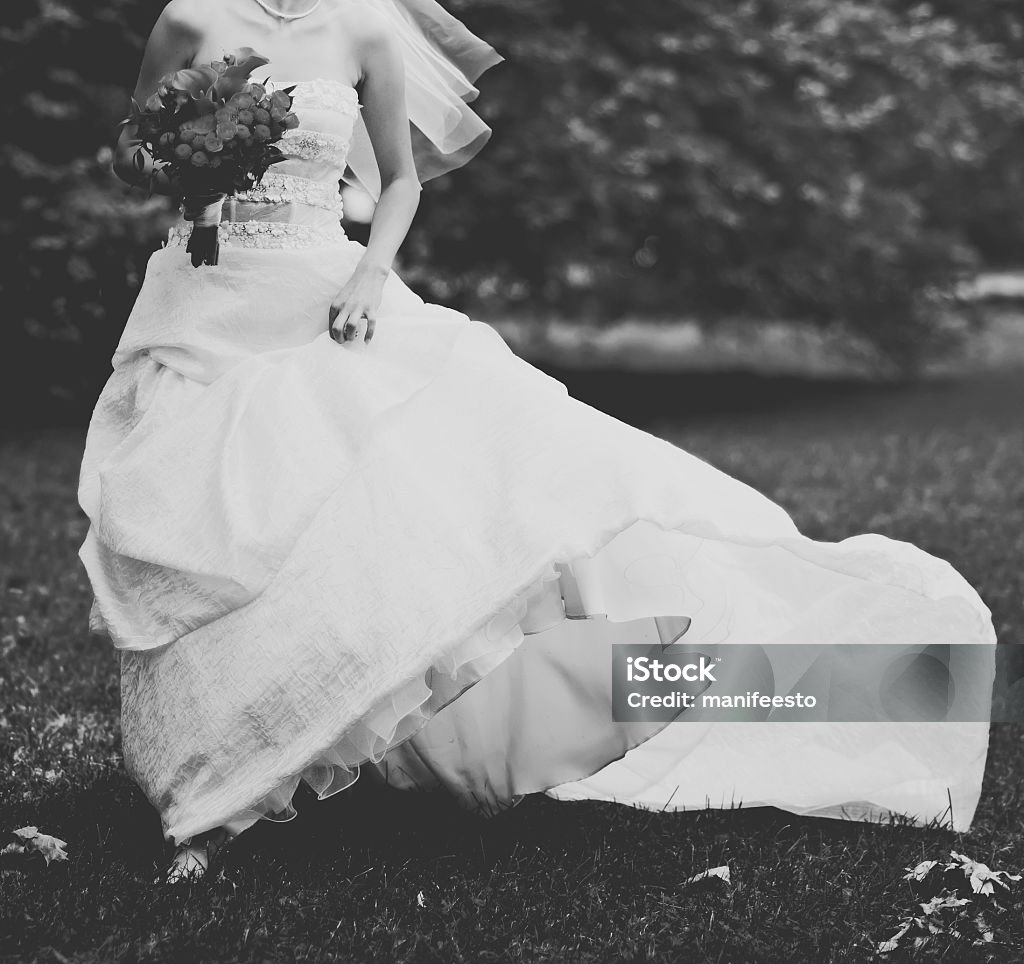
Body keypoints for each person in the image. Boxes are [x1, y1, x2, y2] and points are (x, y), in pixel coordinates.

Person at [79, 0, 997, 885]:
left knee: (462, 500)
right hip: (206, 308)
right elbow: (129, 154)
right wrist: (175, 152)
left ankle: (871, 681)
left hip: (326, 302)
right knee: (201, 519)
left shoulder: (364, 27)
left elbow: (397, 180)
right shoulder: (192, 17)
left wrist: (368, 276)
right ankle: (210, 787)